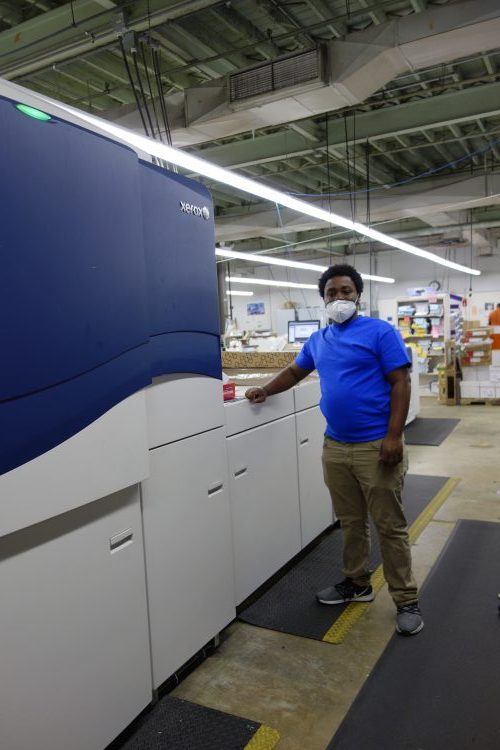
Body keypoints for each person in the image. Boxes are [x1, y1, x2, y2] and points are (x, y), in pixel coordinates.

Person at [245, 264, 423, 636]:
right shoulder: (318, 340)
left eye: (345, 291)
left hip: (376, 446)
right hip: (336, 445)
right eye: (331, 292)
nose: (339, 297)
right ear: (323, 299)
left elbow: (401, 382)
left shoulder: (379, 332)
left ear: (358, 295)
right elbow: (294, 372)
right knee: (350, 521)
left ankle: (406, 599)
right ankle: (357, 584)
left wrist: (394, 436)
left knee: (390, 526)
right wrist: (265, 389)